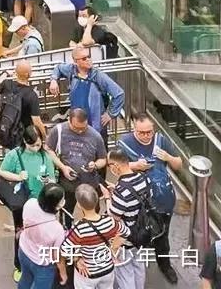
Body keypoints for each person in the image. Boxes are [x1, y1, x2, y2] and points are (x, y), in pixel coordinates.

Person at [116, 112, 183, 284]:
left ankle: (165, 264)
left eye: (149, 132)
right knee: (140, 235)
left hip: (162, 199)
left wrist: (167, 157)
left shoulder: (161, 140)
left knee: (162, 235)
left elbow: (179, 164)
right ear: (134, 129)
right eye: (142, 132)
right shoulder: (125, 143)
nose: (146, 136)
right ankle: (140, 263)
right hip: (138, 203)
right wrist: (134, 166)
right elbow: (115, 167)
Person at [0, 125, 57, 279]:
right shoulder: (15, 155)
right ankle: (19, 265)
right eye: (33, 145)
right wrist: (18, 177)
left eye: (39, 144)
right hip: (22, 204)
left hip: (42, 203)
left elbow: (52, 178)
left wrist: (48, 181)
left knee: (43, 234)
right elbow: (2, 171)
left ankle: (40, 261)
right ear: (25, 141)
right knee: (21, 234)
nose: (37, 148)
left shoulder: (45, 156)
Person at [44, 108, 106, 225]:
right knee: (67, 213)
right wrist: (63, 167)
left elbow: (103, 159)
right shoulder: (58, 131)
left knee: (93, 214)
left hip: (89, 184)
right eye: (76, 128)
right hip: (67, 183)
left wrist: (95, 165)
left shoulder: (95, 136)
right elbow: (48, 150)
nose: (80, 132)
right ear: (69, 120)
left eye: (83, 128)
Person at [49, 46, 124, 136]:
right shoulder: (71, 70)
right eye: (84, 58)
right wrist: (53, 80)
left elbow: (119, 94)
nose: (88, 60)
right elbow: (58, 68)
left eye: (89, 56)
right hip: (77, 124)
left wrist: (110, 114)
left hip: (95, 127)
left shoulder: (98, 76)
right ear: (76, 61)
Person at [65, 183, 126, 289]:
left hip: (87, 274)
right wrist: (113, 249)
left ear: (79, 205)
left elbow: (65, 250)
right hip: (107, 270)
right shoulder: (109, 220)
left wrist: (77, 259)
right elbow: (125, 233)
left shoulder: (78, 228)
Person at [106, 148, 150, 289]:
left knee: (125, 274)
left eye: (109, 165)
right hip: (143, 233)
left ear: (115, 166)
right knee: (139, 268)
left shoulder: (121, 191)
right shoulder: (144, 178)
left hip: (126, 239)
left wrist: (108, 198)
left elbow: (114, 217)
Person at [17, 183, 67, 289]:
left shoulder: (30, 204)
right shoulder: (57, 229)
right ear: (57, 205)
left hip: (24, 251)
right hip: (42, 264)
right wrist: (63, 273)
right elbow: (56, 254)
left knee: (25, 280)